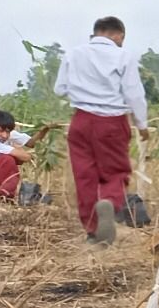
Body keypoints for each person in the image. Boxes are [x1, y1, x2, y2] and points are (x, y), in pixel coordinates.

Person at [55, 16, 148, 245]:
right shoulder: (123, 56)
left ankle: (92, 230)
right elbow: (134, 94)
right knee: (115, 172)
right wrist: (142, 125)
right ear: (118, 35)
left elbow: (60, 89)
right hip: (112, 121)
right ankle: (109, 201)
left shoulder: (74, 54)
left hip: (81, 121)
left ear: (96, 32)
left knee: (84, 175)